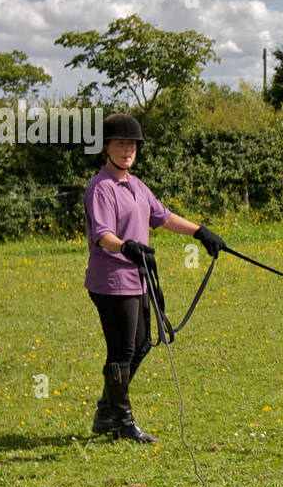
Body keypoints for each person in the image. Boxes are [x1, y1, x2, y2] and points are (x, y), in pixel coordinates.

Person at [83, 113, 225, 443]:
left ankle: (107, 410)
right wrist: (127, 247)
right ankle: (122, 421)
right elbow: (103, 235)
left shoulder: (135, 185)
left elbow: (163, 216)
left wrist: (200, 232)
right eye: (119, 143)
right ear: (106, 147)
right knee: (121, 351)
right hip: (112, 281)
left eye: (131, 144)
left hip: (138, 278)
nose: (126, 149)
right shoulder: (101, 187)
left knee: (144, 343)